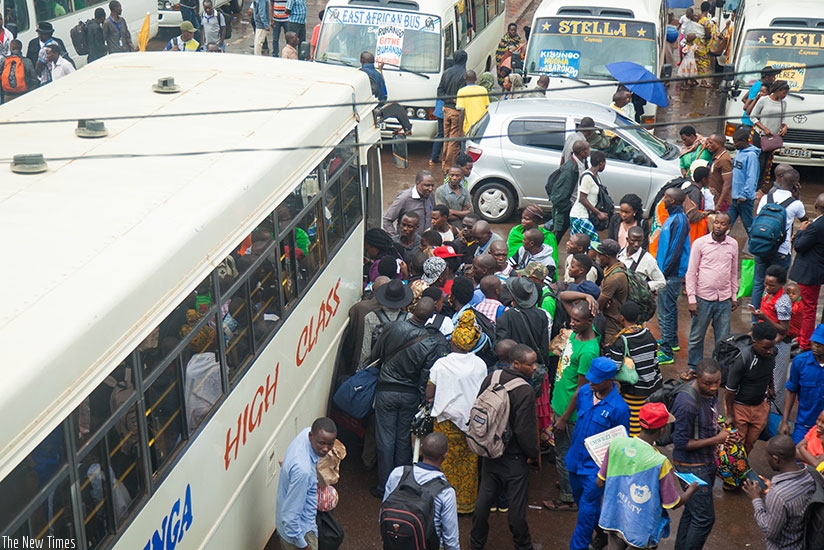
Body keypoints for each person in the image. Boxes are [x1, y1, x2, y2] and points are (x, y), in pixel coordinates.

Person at [371, 298, 449, 497]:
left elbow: (377, 354)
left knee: (385, 439)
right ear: (431, 317)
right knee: (405, 439)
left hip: (385, 390)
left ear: (413, 309)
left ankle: (383, 486)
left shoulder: (391, 327)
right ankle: (401, 484)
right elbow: (426, 376)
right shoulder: (431, 341)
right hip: (410, 394)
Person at [598, 403, 698, 549]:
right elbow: (673, 503)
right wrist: (691, 490)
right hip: (641, 530)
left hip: (613, 518)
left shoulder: (616, 444)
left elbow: (599, 482)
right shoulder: (660, 462)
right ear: (662, 430)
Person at [470, 344, 539, 550]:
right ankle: (523, 544)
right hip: (513, 457)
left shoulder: (492, 377)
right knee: (516, 506)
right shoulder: (525, 390)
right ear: (516, 364)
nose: (535, 368)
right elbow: (523, 430)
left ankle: (476, 542)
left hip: (489, 450)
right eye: (530, 364)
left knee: (484, 500)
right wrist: (532, 454)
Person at [562, 357, 630, 550]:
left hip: (595, 470)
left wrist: (607, 473)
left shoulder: (619, 408)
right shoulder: (585, 392)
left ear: (609, 380)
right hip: (575, 461)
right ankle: (604, 531)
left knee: (585, 513)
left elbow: (620, 445)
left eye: (596, 380)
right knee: (581, 502)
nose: (590, 382)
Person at [425, 310, 487, 514]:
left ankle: (441, 503)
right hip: (471, 422)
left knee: (443, 460)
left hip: (445, 422)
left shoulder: (441, 364)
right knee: (468, 462)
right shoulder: (480, 364)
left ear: (452, 342)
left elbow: (429, 393)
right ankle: (466, 504)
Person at [545, 301, 599, 512]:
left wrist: (564, 418)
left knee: (564, 454)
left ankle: (568, 498)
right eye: (571, 319)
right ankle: (569, 483)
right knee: (568, 454)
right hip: (560, 403)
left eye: (577, 320)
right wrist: (586, 296)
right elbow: (565, 296)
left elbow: (581, 390)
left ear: (590, 321)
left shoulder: (588, 351)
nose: (572, 323)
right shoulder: (579, 333)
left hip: (570, 413)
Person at [672, 359, 730, 550]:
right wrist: (717, 439)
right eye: (708, 383)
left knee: (692, 512)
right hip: (691, 467)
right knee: (704, 519)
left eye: (717, 382)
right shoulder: (687, 402)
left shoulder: (709, 393)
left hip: (706, 462)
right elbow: (681, 443)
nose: (714, 387)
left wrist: (717, 427)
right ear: (697, 378)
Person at [685, 211, 739, 377]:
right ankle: (694, 367)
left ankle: (718, 370)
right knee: (696, 336)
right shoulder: (701, 243)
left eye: (722, 224)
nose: (718, 226)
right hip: (703, 298)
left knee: (723, 339)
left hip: (724, 299)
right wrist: (691, 299)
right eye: (716, 223)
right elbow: (691, 272)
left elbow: (733, 272)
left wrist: (734, 296)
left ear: (728, 227)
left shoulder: (733, 244)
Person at [383, 432, 459, 550]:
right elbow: (451, 540)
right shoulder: (446, 492)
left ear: (421, 449)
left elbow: (383, 513)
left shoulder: (398, 474)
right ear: (445, 455)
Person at [742, 434, 817, 550]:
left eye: (767, 456)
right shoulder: (810, 475)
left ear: (776, 459)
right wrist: (772, 488)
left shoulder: (778, 495)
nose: (766, 459)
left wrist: (756, 499)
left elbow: (769, 531)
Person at [276, 417, 337, 550]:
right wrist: (304, 546)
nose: (326, 449)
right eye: (321, 443)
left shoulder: (305, 434)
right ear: (311, 436)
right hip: (301, 533)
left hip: (289, 528)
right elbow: (290, 518)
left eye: (330, 444)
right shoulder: (302, 472)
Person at [752, 169, 806, 312]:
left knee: (759, 283)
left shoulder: (766, 198)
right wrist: (797, 196)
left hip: (762, 247)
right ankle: (774, 316)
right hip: (781, 250)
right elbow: (805, 221)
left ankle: (756, 318)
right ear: (796, 185)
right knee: (778, 286)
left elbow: (758, 216)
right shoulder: (796, 204)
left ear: (780, 181)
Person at [605, 301, 662, 437]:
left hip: (633, 392)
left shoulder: (621, 341)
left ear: (622, 318)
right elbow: (655, 361)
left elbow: (614, 367)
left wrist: (608, 352)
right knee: (646, 422)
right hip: (652, 389)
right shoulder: (649, 335)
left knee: (633, 427)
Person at [724, 322, 777, 455]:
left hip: (760, 407)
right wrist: (730, 415)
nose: (769, 351)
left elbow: (769, 369)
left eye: (771, 347)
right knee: (736, 445)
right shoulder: (743, 360)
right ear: (754, 342)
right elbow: (730, 390)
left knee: (750, 442)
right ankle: (729, 471)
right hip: (740, 408)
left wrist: (771, 387)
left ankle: (741, 468)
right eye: (765, 348)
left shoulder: (771, 354)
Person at [655, 188, 691, 365]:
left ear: (674, 201)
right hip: (667, 272)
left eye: (667, 197)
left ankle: (667, 351)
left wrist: (663, 273)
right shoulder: (673, 218)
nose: (664, 199)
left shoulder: (679, 221)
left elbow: (675, 250)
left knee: (664, 313)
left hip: (670, 274)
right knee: (670, 308)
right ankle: (672, 340)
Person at [751, 265, 792, 411]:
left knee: (776, 382)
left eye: (771, 285)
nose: (767, 287)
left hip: (778, 345)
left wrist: (765, 318)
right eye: (766, 283)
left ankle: (773, 416)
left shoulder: (783, 301)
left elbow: (784, 329)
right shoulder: (767, 294)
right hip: (765, 342)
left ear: (781, 285)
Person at [790, 193, 824, 350]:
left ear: (816, 207)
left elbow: (799, 246)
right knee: (808, 307)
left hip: (809, 272)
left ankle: (804, 343)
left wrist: (800, 233)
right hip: (816, 270)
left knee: (807, 309)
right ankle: (803, 337)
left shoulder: (815, 227)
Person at [780, 324, 824, 444]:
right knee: (798, 457)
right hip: (804, 425)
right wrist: (785, 422)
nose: (815, 346)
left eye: (819, 344)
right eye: (814, 342)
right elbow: (791, 390)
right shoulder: (800, 362)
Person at [359, 278, 412, 366]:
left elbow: (366, 352)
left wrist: (361, 371)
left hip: (377, 368)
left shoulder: (371, 317)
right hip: (399, 369)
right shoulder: (409, 318)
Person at [751, 80, 790, 186]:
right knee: (759, 161)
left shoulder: (783, 103)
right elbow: (753, 116)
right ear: (777, 90)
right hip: (760, 136)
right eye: (783, 92)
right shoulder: (764, 100)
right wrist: (764, 128)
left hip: (772, 138)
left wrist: (785, 126)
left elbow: (783, 118)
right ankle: (753, 184)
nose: (785, 95)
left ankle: (759, 185)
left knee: (766, 162)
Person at [551, 140, 589, 242]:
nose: (590, 151)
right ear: (582, 152)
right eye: (588, 149)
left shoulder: (583, 163)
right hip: (567, 207)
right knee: (556, 234)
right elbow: (559, 195)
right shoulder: (570, 169)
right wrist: (567, 207)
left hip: (575, 205)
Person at [592, 239, 628, 346]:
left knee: (610, 347)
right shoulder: (617, 266)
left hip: (613, 321)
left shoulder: (614, 278)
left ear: (607, 257)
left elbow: (599, 305)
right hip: (614, 315)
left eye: (600, 255)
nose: (598, 258)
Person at [437, 50, 468, 172]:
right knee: (454, 141)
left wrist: (449, 99)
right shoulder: (465, 74)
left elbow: (439, 92)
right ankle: (448, 167)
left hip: (446, 110)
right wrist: (455, 100)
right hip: (456, 112)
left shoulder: (446, 73)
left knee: (446, 137)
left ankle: (444, 163)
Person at [382, 171, 436, 238]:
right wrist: (396, 239)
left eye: (432, 186)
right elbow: (386, 220)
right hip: (408, 244)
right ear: (417, 183)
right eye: (427, 185)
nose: (430, 189)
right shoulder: (404, 198)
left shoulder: (430, 195)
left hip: (427, 242)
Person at [570, 150, 608, 244]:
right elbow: (582, 199)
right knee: (594, 243)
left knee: (582, 244)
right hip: (580, 216)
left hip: (586, 215)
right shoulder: (587, 177)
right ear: (601, 163)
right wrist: (598, 213)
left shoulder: (596, 177)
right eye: (604, 163)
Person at [729, 127, 760, 234]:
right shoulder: (739, 152)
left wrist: (744, 194)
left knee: (749, 225)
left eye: (736, 142)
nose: (734, 145)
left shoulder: (751, 156)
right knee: (727, 222)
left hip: (744, 199)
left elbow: (752, 177)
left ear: (744, 141)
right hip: (734, 197)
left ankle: (755, 246)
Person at [617, 226, 665, 292]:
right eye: (633, 241)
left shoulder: (648, 259)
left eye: (639, 241)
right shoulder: (619, 255)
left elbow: (661, 282)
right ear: (627, 239)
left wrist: (644, 286)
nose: (636, 244)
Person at [705, 133, 733, 212]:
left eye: (711, 143)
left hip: (721, 201)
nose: (708, 145)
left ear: (719, 143)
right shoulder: (716, 156)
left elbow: (727, 183)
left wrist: (719, 204)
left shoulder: (724, 160)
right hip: (714, 198)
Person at [456, 70, 489, 134]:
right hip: (482, 126)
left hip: (468, 128)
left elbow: (462, 112)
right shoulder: (483, 90)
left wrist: (460, 131)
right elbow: (487, 107)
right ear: (476, 79)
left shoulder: (461, 92)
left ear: (464, 78)